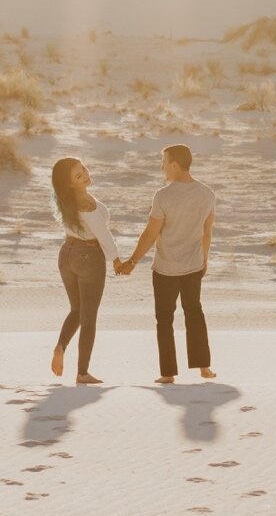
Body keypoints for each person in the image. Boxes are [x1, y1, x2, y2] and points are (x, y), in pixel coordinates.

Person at [121, 144, 217, 384]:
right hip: (193, 264)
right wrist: (204, 260)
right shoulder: (207, 194)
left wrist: (132, 261)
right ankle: (203, 367)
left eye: (164, 162)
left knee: (164, 319)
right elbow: (207, 232)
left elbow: (151, 233)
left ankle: (168, 373)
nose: (162, 167)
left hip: (165, 268)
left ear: (175, 164)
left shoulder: (163, 195)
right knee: (194, 313)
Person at [49, 157, 125, 385]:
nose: (85, 174)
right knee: (88, 317)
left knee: (77, 309)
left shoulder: (65, 199)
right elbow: (102, 234)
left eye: (82, 169)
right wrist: (116, 260)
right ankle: (82, 373)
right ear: (71, 184)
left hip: (66, 254)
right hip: (88, 257)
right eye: (78, 175)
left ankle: (61, 346)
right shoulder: (86, 203)